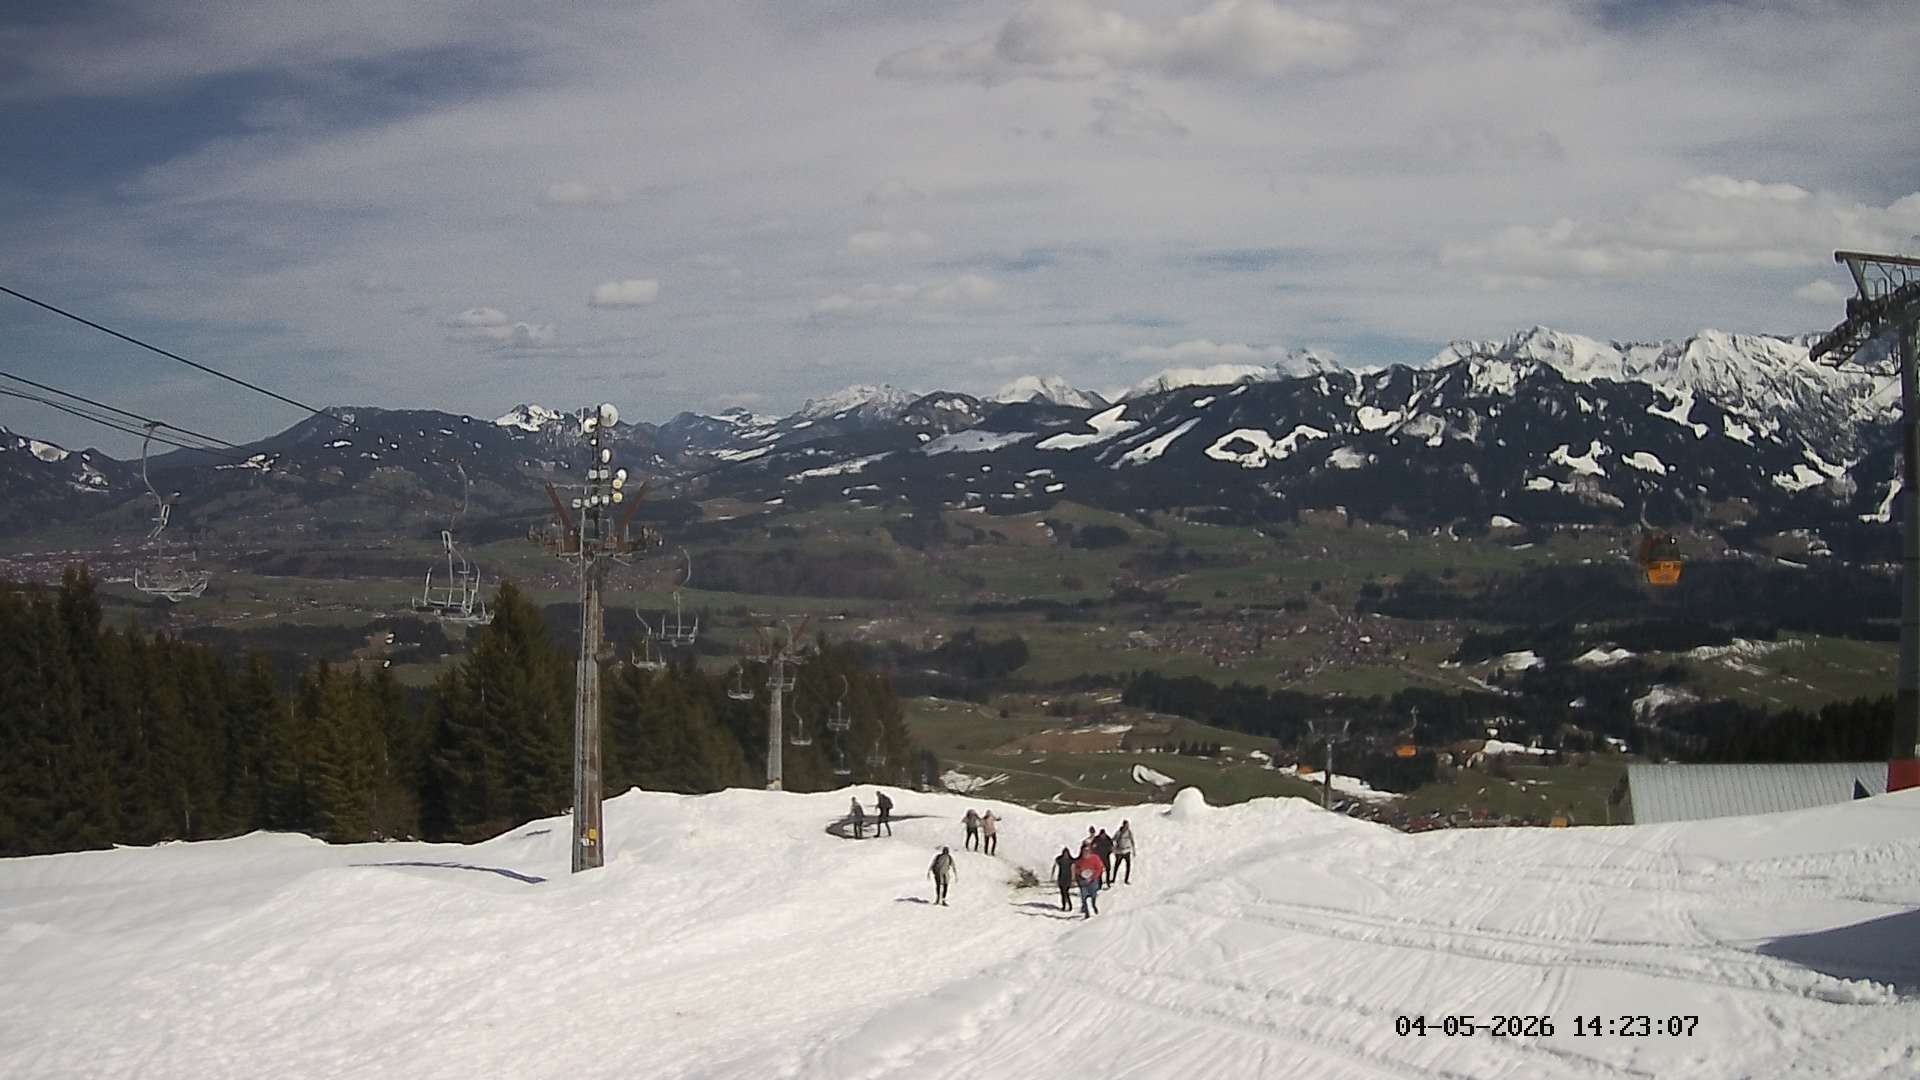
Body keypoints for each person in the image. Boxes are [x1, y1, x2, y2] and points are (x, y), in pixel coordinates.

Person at [1073, 845, 1105, 918]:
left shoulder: (1095, 858)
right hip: (1083, 880)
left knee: (1093, 895)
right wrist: (1080, 873)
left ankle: (1093, 905)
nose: (1085, 852)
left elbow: (1099, 868)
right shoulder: (1079, 860)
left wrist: (1093, 877)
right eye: (1084, 851)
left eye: (1087, 851)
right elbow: (1076, 869)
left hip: (1093, 880)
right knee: (1084, 896)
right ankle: (1086, 911)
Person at [1053, 847, 1076, 911]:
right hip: (1061, 877)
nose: (1065, 855)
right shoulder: (1060, 860)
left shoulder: (1071, 860)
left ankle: (1069, 905)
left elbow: (1073, 868)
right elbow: (1055, 864)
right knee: (1062, 893)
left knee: (1066, 892)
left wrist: (1073, 879)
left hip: (1068, 878)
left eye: (1066, 854)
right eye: (1064, 853)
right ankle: (1064, 906)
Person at [1111, 820, 1134, 884]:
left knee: (1128, 866)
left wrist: (1133, 849)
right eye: (1126, 825)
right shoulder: (1118, 832)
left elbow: (1132, 840)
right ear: (1123, 825)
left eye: (1128, 825)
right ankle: (1113, 879)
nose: (1127, 827)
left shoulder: (1129, 832)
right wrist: (1113, 848)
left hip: (1127, 851)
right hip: (1120, 852)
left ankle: (1126, 880)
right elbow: (1113, 840)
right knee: (1116, 866)